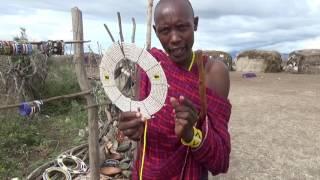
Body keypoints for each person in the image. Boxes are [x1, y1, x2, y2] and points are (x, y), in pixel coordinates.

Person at [118, 0, 232, 179]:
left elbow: (221, 161)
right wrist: (133, 129)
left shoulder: (212, 73)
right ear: (156, 32)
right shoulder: (149, 66)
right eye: (165, 30)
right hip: (144, 174)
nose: (174, 38)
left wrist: (191, 134)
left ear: (195, 24)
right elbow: (141, 127)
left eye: (182, 27)